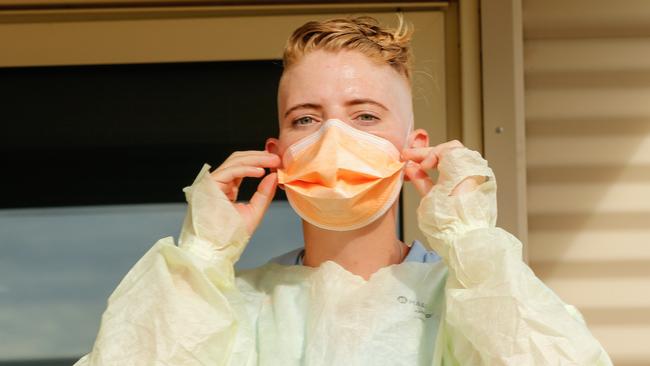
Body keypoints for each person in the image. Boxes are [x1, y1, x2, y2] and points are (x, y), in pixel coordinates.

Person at [74, 15, 612, 365]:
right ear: (277, 151)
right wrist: (200, 259)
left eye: (365, 116)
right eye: (306, 119)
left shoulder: (469, 297)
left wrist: (474, 243)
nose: (335, 136)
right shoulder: (234, 306)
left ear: (413, 147)